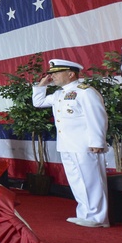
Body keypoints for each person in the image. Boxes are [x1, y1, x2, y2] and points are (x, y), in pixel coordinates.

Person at [33, 59, 109, 227]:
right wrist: (41, 85)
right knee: (77, 181)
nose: (52, 76)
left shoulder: (85, 92)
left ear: (71, 74)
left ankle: (97, 218)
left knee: (91, 181)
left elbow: (97, 117)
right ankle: (85, 214)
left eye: (56, 73)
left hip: (85, 145)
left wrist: (98, 141)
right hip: (67, 145)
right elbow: (38, 102)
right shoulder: (59, 94)